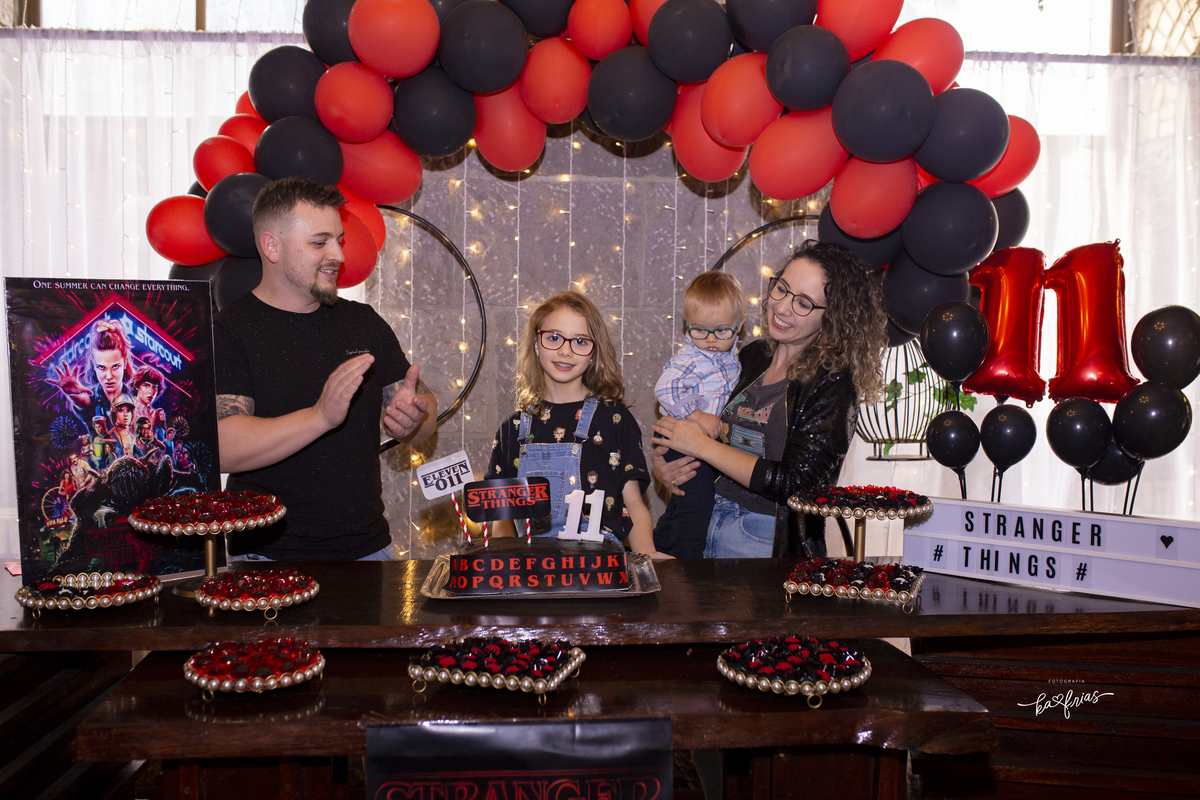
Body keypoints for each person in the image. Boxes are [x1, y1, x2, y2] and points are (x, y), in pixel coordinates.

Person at [214, 177, 437, 561]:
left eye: (338, 240)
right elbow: (224, 448)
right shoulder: (230, 330)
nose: (337, 254)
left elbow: (424, 410)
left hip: (368, 552)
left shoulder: (363, 322)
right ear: (271, 246)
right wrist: (319, 417)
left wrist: (414, 418)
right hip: (264, 558)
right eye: (319, 242)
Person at [651, 241, 887, 558]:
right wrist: (669, 470)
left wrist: (702, 447)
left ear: (832, 316)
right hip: (702, 522)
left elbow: (798, 484)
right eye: (782, 289)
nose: (782, 306)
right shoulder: (751, 357)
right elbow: (703, 428)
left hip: (760, 541)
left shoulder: (832, 383)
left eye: (803, 303)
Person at [486, 291, 659, 555]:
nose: (566, 351)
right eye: (554, 338)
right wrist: (505, 561)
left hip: (601, 566)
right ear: (536, 344)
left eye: (580, 341)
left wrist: (648, 557)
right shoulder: (512, 428)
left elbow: (633, 502)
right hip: (532, 568)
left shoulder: (614, 420)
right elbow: (501, 517)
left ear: (594, 352)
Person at [651, 271, 745, 558]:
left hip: (702, 445)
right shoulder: (691, 359)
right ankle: (685, 560)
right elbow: (664, 390)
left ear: (739, 326)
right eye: (700, 330)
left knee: (682, 501)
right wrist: (698, 416)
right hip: (682, 439)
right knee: (698, 503)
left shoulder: (730, 358)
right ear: (687, 325)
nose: (711, 340)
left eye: (722, 330)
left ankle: (661, 547)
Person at [50, 319, 134, 427]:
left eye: (115, 367)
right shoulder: (92, 399)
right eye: (101, 367)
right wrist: (73, 395)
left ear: (125, 362)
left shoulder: (135, 398)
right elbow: (84, 404)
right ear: (94, 365)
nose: (109, 376)